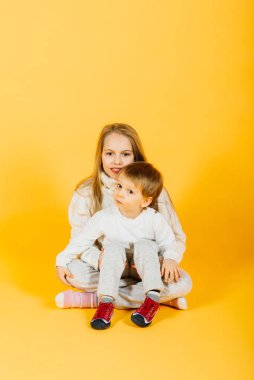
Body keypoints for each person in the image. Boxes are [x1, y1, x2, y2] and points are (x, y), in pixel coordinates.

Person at [55, 123, 192, 311]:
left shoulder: (153, 192)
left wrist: (165, 260)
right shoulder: (85, 193)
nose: (117, 161)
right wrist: (98, 261)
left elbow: (175, 237)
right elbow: (81, 241)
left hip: (145, 266)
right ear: (100, 156)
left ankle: (97, 300)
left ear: (135, 157)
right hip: (107, 266)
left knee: (183, 282)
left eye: (125, 154)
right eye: (109, 153)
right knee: (73, 271)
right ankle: (156, 297)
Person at [57, 162, 183, 329]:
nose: (120, 193)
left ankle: (151, 299)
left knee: (177, 275)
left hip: (143, 271)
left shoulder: (154, 219)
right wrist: (61, 260)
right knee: (105, 252)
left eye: (129, 191)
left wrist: (170, 259)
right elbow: (82, 240)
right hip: (114, 269)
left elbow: (168, 242)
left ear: (145, 201)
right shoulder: (105, 217)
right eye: (119, 186)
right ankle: (106, 302)